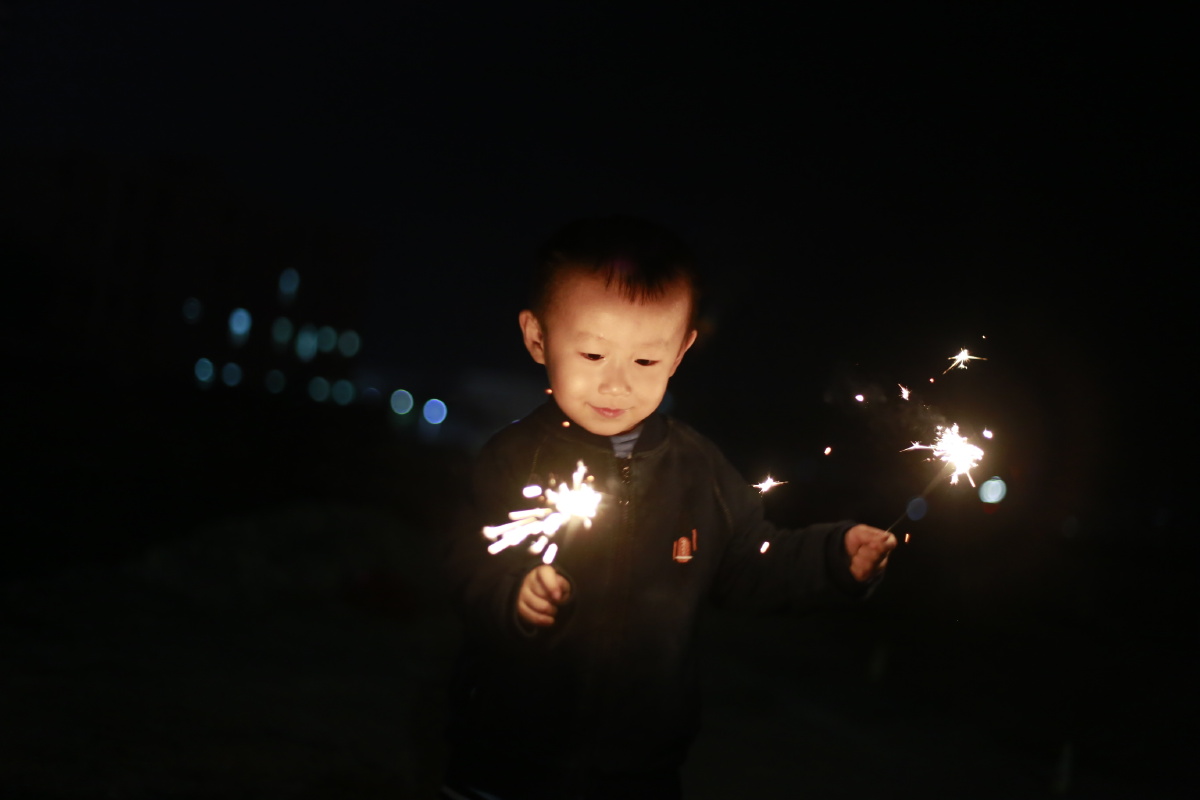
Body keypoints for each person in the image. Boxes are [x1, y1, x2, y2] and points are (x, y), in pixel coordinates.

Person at [440, 216, 896, 800]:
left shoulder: (697, 469)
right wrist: (513, 592)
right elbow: (466, 560)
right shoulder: (512, 460)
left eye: (646, 362)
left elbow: (750, 561)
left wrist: (833, 556)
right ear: (537, 338)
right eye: (592, 354)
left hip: (640, 767)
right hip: (508, 761)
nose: (616, 385)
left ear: (682, 351)